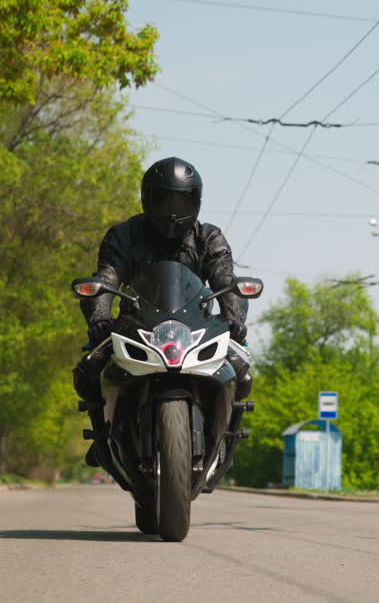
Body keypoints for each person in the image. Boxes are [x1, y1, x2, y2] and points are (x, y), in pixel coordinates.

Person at [73, 156, 251, 468]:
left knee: (240, 368)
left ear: (195, 202)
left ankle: (224, 439)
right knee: (89, 368)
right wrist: (100, 317)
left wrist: (234, 317)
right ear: (147, 199)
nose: (172, 212)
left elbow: (226, 279)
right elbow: (106, 278)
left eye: (181, 201)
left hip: (195, 328)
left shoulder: (209, 237)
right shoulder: (124, 235)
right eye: (164, 200)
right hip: (137, 325)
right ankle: (104, 435)